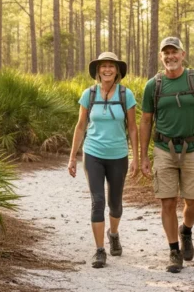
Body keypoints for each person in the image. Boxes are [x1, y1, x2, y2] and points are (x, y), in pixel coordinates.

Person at [139, 37, 194, 273]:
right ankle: (174, 250)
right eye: (166, 53)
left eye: (174, 52)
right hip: (164, 149)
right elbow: (145, 120)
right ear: (161, 57)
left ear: (182, 54)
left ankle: (186, 230)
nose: (170, 57)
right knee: (167, 201)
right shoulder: (153, 85)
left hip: (193, 148)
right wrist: (143, 156)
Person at [68, 51, 139, 269]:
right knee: (97, 201)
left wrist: (136, 157)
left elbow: (133, 128)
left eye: (111, 66)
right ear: (98, 70)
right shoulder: (88, 95)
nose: (107, 69)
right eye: (103, 66)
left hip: (118, 155)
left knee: (115, 203)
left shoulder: (126, 95)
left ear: (117, 70)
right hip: (93, 154)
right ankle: (100, 250)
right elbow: (80, 127)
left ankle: (114, 234)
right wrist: (72, 157)